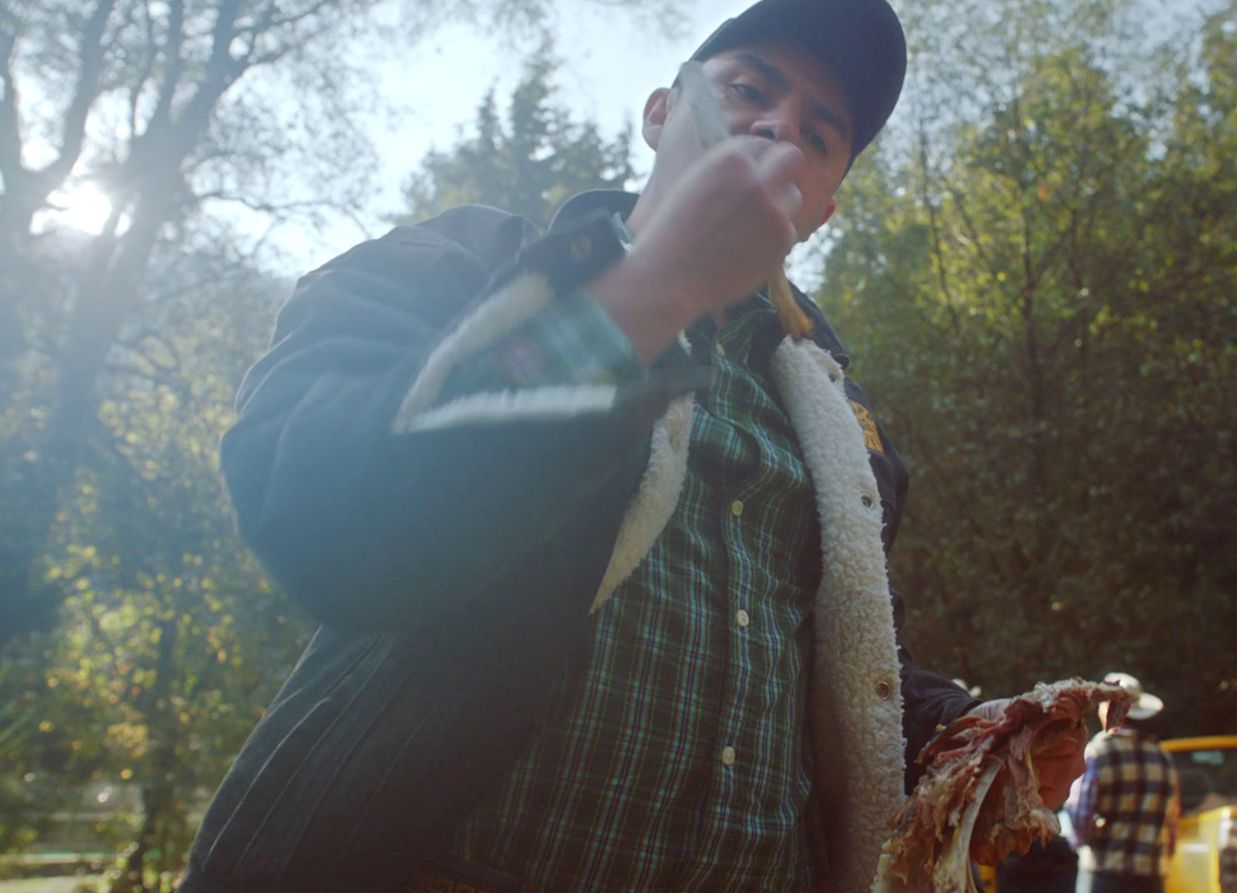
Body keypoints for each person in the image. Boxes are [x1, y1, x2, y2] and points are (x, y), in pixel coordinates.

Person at [174, 1, 1084, 891]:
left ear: (825, 205)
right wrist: (653, 289)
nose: (776, 126)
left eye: (819, 132)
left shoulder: (843, 424)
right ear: (661, 111)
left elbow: (820, 657)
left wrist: (969, 729)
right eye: (747, 87)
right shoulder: (462, 265)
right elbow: (318, 515)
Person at [1063, 673, 1181, 893]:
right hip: (1152, 876)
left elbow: (1080, 815)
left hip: (1105, 874)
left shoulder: (1099, 751)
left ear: (1107, 709)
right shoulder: (1163, 758)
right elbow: (1171, 823)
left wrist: (1080, 844)